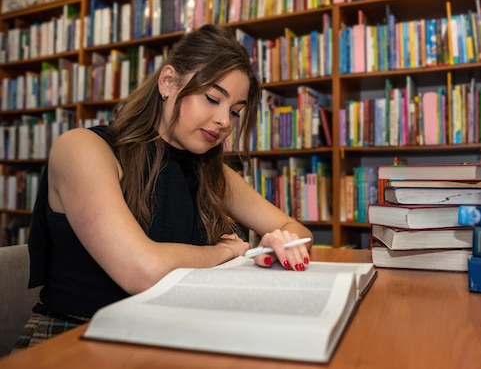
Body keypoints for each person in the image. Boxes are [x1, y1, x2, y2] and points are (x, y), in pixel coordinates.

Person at [13, 24, 313, 350]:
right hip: (75, 341)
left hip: (168, 334)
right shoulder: (82, 149)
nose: (225, 121)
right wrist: (224, 252)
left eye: (235, 111)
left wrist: (279, 242)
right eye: (212, 98)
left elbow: (295, 229)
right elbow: (141, 270)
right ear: (168, 82)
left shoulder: (213, 172)